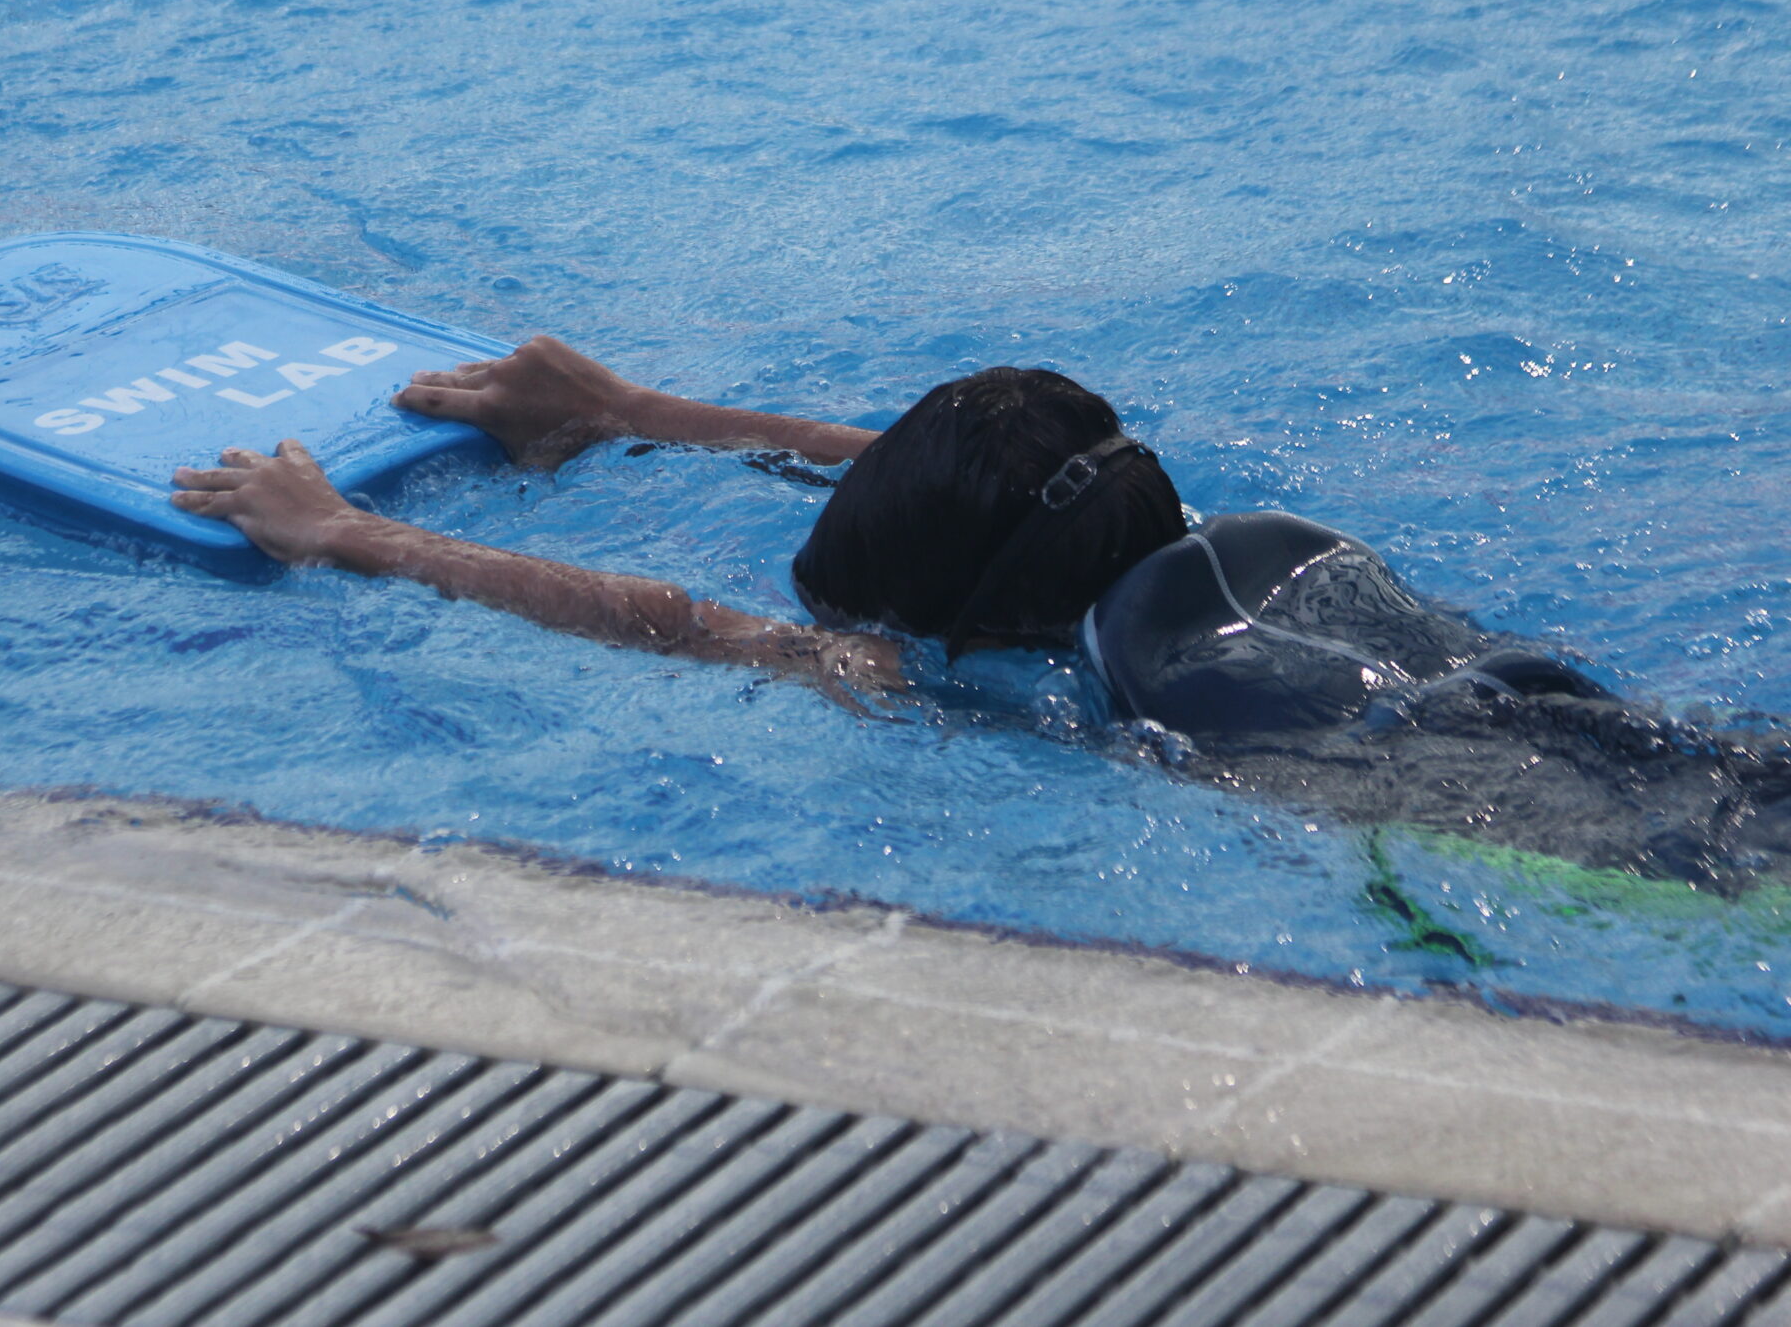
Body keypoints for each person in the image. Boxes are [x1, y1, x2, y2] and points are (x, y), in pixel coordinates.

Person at [173, 337, 1791, 884]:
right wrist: (641, 411)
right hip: (1649, 744)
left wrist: (355, 536)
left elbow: (676, 624)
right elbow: (1011, 477)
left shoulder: (1056, 687)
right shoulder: (1246, 532)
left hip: (1606, 868)